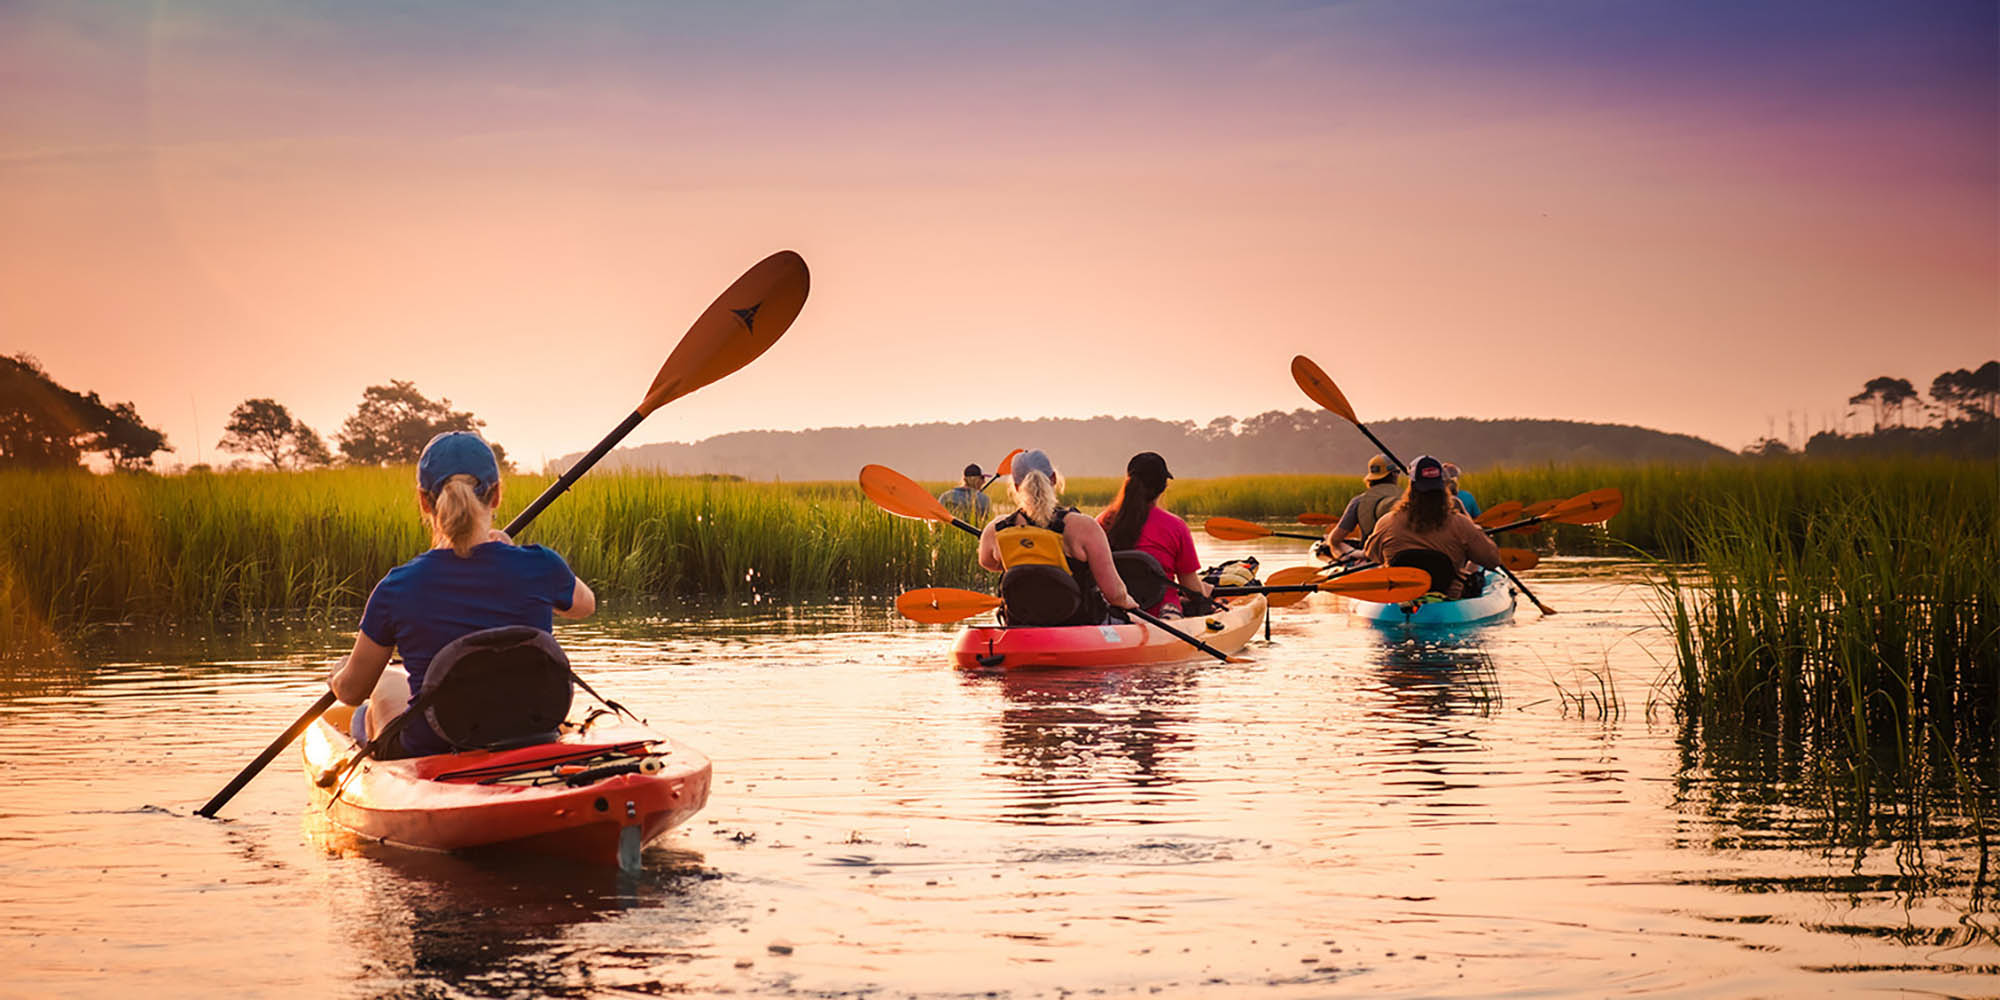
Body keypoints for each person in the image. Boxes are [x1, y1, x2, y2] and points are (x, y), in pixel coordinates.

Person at [329, 432, 596, 758]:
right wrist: (519, 557)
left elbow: (353, 690)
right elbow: (585, 606)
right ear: (496, 495)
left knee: (378, 690)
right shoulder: (541, 563)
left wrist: (337, 677)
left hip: (432, 746)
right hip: (531, 730)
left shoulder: (396, 587)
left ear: (424, 501)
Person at [977, 449, 1140, 626]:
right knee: (1132, 619)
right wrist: (1130, 605)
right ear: (1053, 479)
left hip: (1021, 623)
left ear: (1016, 487)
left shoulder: (997, 529)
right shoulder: (1084, 527)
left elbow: (988, 562)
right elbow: (1114, 594)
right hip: (1079, 623)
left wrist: (1024, 553)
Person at [1362, 454, 1502, 600]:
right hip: (1448, 601)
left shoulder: (1386, 523)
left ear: (1411, 488)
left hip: (1400, 600)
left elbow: (1372, 555)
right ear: (1443, 488)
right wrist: (1479, 533)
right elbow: (1493, 560)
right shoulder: (1461, 524)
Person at [1097, 451, 1215, 618]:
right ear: (1164, 486)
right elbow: (1191, 588)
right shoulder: (1176, 526)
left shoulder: (1102, 522)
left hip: (1116, 612)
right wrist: (1204, 591)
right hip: (1162, 613)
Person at [1321, 454, 1403, 561]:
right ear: (1394, 475)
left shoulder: (1358, 501)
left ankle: (1346, 558)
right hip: (1401, 553)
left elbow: (1335, 539)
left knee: (1331, 542)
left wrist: (1330, 541)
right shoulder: (1407, 500)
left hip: (1371, 555)